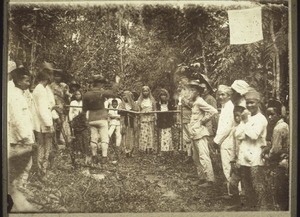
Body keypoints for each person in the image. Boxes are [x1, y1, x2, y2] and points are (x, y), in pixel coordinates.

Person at [234, 88, 269, 210]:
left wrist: (245, 122)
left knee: (258, 185)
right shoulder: (247, 117)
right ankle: (251, 208)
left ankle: (262, 209)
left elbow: (253, 136)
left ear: (258, 103)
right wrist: (245, 124)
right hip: (244, 157)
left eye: (252, 102)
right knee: (247, 184)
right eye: (247, 102)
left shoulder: (261, 119)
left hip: (256, 157)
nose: (249, 105)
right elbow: (238, 134)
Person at [8, 67, 36, 211]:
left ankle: (20, 189)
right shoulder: (15, 96)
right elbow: (18, 119)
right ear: (18, 80)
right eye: (25, 80)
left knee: (25, 165)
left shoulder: (20, 94)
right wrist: (26, 137)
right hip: (20, 138)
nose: (28, 82)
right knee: (23, 166)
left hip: (22, 136)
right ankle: (18, 190)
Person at [187, 80, 218, 187]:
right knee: (196, 157)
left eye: (193, 90)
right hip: (194, 133)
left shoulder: (200, 101)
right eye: (190, 90)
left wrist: (203, 121)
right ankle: (201, 178)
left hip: (200, 133)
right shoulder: (195, 103)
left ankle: (210, 179)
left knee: (203, 156)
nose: (190, 92)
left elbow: (213, 111)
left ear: (198, 92)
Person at [82, 75, 118, 165]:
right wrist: (116, 83)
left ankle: (94, 157)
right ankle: (104, 158)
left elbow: (84, 110)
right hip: (102, 118)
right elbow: (114, 93)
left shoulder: (86, 95)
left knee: (93, 138)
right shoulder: (102, 93)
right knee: (104, 138)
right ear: (100, 83)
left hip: (92, 118)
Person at [263, 100, 289, 210]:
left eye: (272, 114)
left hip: (281, 161)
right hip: (285, 159)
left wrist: (267, 155)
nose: (269, 117)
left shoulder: (278, 128)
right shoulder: (284, 124)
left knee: (278, 188)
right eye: (268, 115)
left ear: (278, 114)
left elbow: (276, 149)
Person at [31, 69, 58, 180]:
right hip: (43, 124)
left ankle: (42, 170)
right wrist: (48, 124)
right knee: (44, 148)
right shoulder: (40, 90)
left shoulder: (42, 89)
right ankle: (42, 172)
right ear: (47, 77)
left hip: (43, 122)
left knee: (44, 147)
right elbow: (42, 109)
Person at [212, 85, 235, 195]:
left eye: (223, 94)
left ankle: (233, 193)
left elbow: (227, 127)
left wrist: (217, 140)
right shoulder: (225, 107)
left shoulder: (229, 108)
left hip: (227, 140)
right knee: (227, 167)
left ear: (229, 96)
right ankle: (232, 191)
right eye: (219, 94)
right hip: (225, 140)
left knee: (228, 167)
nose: (220, 97)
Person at [136, 86, 156, 154]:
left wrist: (154, 117)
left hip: (150, 118)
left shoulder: (152, 100)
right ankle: (142, 148)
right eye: (144, 91)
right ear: (142, 92)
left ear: (149, 91)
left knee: (150, 133)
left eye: (146, 91)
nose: (145, 92)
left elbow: (154, 109)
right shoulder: (140, 101)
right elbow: (138, 110)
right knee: (143, 133)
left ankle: (149, 148)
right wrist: (139, 118)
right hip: (143, 118)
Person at [156, 89, 176, 157]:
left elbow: (172, 112)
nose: (163, 97)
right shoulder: (158, 104)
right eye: (162, 95)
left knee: (168, 136)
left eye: (164, 95)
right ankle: (163, 150)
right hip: (161, 122)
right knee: (162, 136)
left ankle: (170, 150)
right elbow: (157, 113)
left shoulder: (169, 103)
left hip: (168, 121)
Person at [119, 91, 138, 157]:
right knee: (124, 136)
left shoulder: (133, 104)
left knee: (131, 136)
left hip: (132, 122)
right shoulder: (121, 104)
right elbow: (119, 112)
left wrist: (130, 113)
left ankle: (131, 151)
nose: (124, 97)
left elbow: (136, 112)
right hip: (124, 122)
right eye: (123, 95)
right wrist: (125, 113)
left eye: (125, 95)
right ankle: (125, 150)